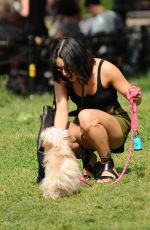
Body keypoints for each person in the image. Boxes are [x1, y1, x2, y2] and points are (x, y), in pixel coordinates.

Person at [49, 36, 142, 182]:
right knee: (55, 133)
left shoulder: (105, 69)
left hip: (115, 126)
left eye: (68, 68)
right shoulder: (62, 78)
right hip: (85, 127)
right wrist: (57, 139)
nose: (64, 73)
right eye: (59, 69)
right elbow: (61, 110)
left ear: (78, 61)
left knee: (85, 116)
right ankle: (89, 160)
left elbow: (134, 98)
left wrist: (136, 96)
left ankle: (107, 165)